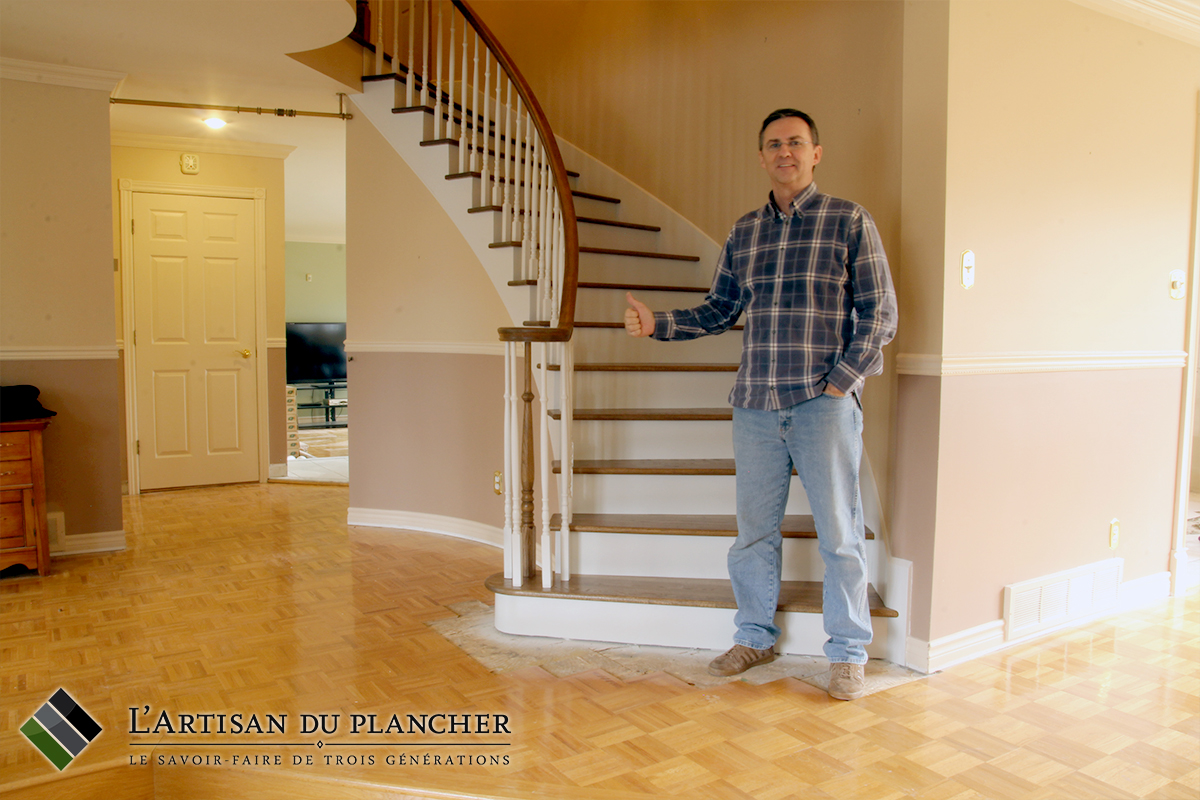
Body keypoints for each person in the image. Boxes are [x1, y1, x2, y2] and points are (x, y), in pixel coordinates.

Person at [623, 108, 897, 700]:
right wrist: (657, 323)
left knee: (840, 535)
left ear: (815, 153)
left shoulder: (849, 220)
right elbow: (720, 309)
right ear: (762, 156)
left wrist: (842, 381)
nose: (785, 152)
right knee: (753, 536)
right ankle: (753, 636)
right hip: (755, 406)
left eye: (796, 142)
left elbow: (880, 313)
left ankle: (848, 653)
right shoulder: (745, 231)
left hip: (823, 404)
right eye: (774, 144)